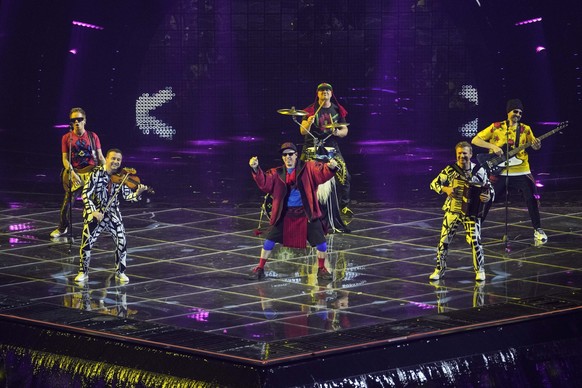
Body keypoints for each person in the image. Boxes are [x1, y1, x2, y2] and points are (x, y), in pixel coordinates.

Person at [249, 142, 339, 281]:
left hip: (306, 213)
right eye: (285, 155)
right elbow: (265, 183)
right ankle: (260, 268)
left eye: (290, 154)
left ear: (296, 155)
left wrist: (331, 168)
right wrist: (256, 169)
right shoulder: (277, 173)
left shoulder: (307, 168)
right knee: (269, 241)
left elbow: (321, 173)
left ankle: (321, 269)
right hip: (285, 214)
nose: (288, 157)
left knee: (321, 243)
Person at [471, 99, 547, 243]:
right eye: (515, 111)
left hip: (521, 170)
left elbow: (535, 146)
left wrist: (537, 145)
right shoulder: (496, 127)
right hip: (499, 171)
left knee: (531, 198)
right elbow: (475, 140)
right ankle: (476, 229)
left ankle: (538, 229)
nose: (518, 114)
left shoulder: (526, 129)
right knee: (487, 198)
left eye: (520, 112)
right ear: (508, 112)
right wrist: (493, 146)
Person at [74, 148, 148, 284]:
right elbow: (85, 194)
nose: (115, 162)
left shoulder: (122, 176)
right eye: (113, 158)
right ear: (106, 159)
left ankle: (120, 272)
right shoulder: (96, 174)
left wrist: (137, 193)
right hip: (96, 213)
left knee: (122, 242)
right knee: (86, 244)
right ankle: (83, 272)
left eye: (118, 160)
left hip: (113, 213)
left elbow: (127, 196)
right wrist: (93, 211)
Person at [429, 141, 493, 282]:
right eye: (459, 153)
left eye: (464, 153)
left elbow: (490, 189)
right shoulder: (450, 170)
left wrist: (487, 196)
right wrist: (446, 189)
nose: (462, 156)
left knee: (476, 241)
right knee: (443, 241)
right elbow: (434, 184)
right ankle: (439, 270)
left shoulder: (479, 171)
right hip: (453, 210)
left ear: (470, 154)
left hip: (471, 212)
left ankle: (480, 270)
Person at [50, 107, 106, 238]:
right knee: (67, 205)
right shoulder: (66, 138)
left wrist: (106, 172)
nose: (77, 122)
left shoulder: (93, 137)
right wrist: (73, 174)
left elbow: (100, 156)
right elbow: (64, 159)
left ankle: (94, 228)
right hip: (75, 174)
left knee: (92, 205)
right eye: (73, 120)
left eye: (79, 119)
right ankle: (62, 227)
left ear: (85, 121)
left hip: (91, 173)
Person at [300, 82, 352, 217]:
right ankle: (299, 205)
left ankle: (344, 206)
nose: (325, 92)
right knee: (299, 175)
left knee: (345, 175)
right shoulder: (310, 110)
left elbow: (345, 130)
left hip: (331, 146)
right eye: (322, 91)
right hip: (311, 145)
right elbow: (302, 130)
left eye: (328, 90)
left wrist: (337, 133)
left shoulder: (337, 109)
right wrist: (308, 123)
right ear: (317, 94)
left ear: (331, 93)